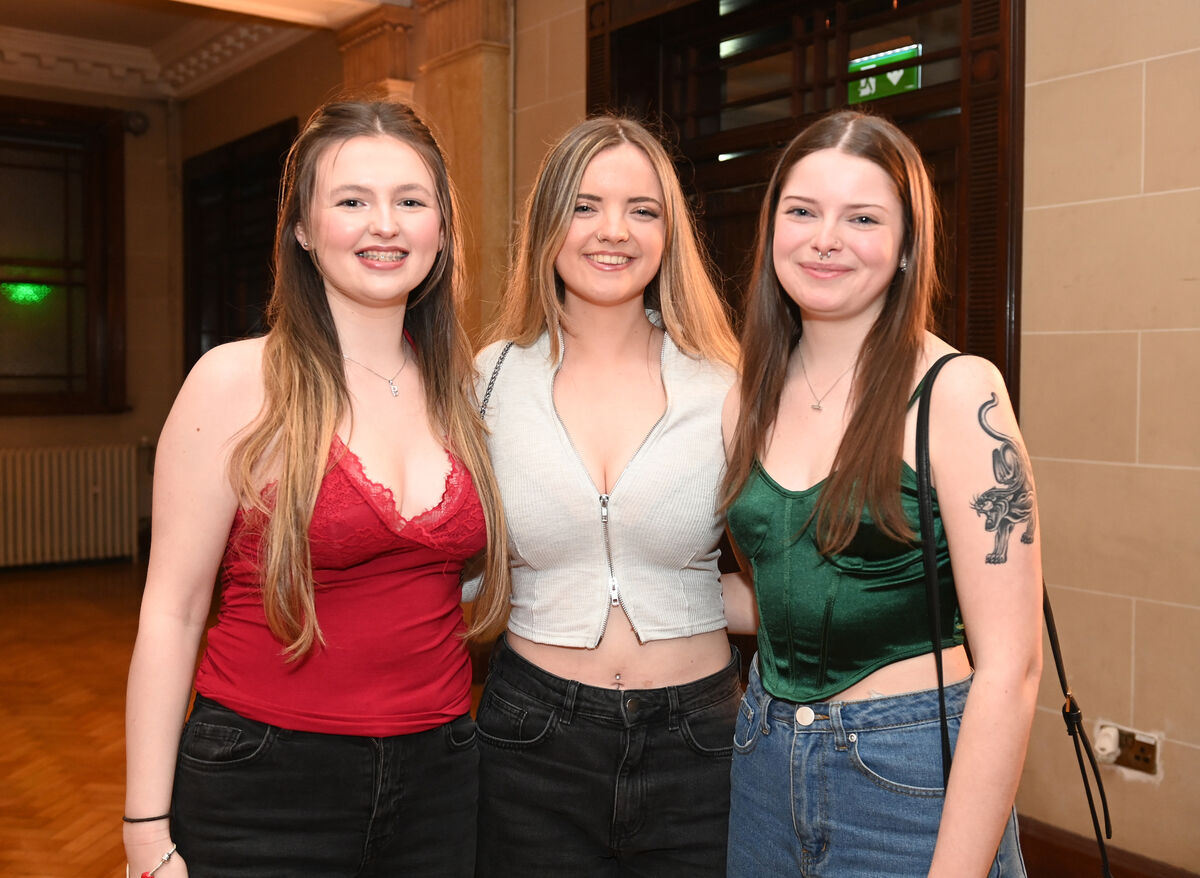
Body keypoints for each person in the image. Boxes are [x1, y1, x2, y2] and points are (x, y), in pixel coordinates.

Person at [123, 100, 509, 878]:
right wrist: (143, 829)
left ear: (440, 228)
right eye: (352, 201)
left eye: (410, 201)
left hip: (442, 779)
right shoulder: (236, 381)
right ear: (302, 228)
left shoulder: (467, 390)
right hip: (263, 783)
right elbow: (173, 609)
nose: (385, 225)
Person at [721, 110, 1042, 877]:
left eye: (862, 218)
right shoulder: (747, 393)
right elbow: (781, 586)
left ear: (905, 246)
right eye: (802, 212)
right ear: (773, 231)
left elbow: (1012, 669)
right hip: (762, 758)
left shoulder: (958, 393)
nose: (825, 239)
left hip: (909, 774)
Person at [469, 115, 754, 877]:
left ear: (670, 232)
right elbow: (457, 566)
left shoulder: (727, 382)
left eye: (643, 209)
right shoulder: (486, 379)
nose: (613, 232)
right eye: (586, 205)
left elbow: (782, 577)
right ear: (547, 223)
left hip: (702, 740)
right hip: (531, 737)